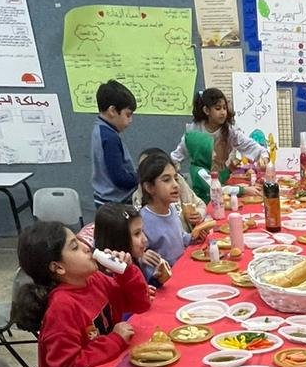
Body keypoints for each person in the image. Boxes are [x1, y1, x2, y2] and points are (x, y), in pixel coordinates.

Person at [12, 222, 149, 367]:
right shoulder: (62, 307)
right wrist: (115, 340)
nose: (87, 247)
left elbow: (139, 304)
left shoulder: (94, 280)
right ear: (58, 267)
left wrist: (126, 272)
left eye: (80, 240)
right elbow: (68, 364)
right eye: (75, 246)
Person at [136, 148, 212, 274]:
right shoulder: (143, 221)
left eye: (175, 179)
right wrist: (144, 260)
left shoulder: (171, 209)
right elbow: (142, 258)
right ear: (149, 187)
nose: (175, 185)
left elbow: (179, 237)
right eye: (166, 180)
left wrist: (192, 238)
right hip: (165, 281)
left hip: (183, 269)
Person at [171, 88, 265, 178]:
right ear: (206, 110)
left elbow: (248, 145)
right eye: (218, 108)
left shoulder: (230, 130)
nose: (223, 112)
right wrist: (174, 168)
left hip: (222, 176)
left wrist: (263, 155)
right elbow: (180, 152)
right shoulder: (195, 130)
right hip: (201, 176)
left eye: (224, 108)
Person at [77, 201, 163, 289]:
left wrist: (155, 281)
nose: (145, 240)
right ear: (118, 240)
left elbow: (140, 291)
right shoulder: (107, 281)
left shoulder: (131, 259)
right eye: (137, 234)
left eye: (142, 231)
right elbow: (132, 298)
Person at [91, 80, 138, 208]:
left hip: (105, 199)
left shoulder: (100, 128)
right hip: (115, 203)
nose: (130, 120)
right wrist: (142, 177)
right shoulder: (110, 138)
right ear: (112, 111)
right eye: (128, 115)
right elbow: (119, 178)